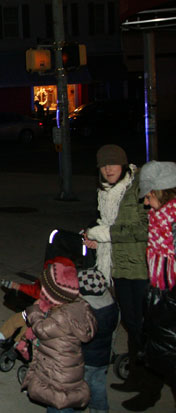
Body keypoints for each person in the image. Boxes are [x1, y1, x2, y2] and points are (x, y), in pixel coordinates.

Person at [82, 145, 149, 403]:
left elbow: (141, 229)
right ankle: (136, 375)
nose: (108, 169)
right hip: (117, 267)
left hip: (138, 268)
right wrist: (99, 241)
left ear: (124, 165)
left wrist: (103, 234)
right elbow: (109, 227)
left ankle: (148, 387)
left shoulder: (136, 189)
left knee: (140, 326)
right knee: (131, 324)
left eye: (113, 164)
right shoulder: (106, 192)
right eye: (103, 165)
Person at [127, 160, 176, 410]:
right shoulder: (160, 220)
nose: (145, 202)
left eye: (148, 195)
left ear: (161, 190)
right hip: (163, 303)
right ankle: (149, 391)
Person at [21, 262, 97, 413]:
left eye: (44, 288)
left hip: (58, 375)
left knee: (59, 406)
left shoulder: (61, 318)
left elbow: (41, 329)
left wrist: (34, 310)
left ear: (52, 295)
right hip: (66, 372)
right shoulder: (76, 307)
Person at [78, 268, 119, 413]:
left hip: (86, 358)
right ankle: (100, 409)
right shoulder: (112, 305)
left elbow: (81, 335)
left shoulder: (88, 312)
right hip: (102, 357)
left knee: (80, 388)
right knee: (98, 385)